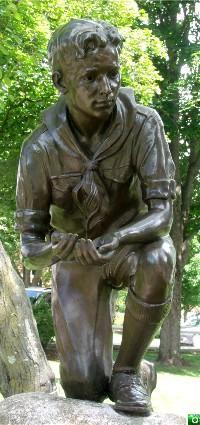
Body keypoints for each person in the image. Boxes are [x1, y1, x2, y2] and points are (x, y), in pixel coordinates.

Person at [16, 19, 176, 415]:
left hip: (128, 249)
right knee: (84, 389)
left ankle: (126, 371)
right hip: (75, 262)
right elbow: (30, 247)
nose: (106, 88)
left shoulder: (143, 125)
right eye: (91, 77)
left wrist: (119, 239)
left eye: (113, 74)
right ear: (60, 81)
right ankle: (139, 372)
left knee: (160, 256)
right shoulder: (39, 150)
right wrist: (55, 249)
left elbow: (163, 214)